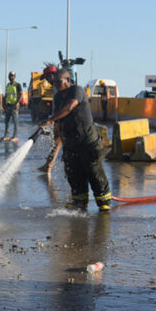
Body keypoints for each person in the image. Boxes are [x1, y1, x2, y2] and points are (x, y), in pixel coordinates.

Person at [40, 68, 111, 212]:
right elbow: (59, 118)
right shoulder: (58, 97)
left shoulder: (77, 90)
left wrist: (51, 119)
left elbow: (69, 107)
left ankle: (103, 202)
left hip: (87, 141)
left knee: (94, 171)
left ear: (68, 80)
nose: (56, 85)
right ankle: (79, 201)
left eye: (58, 82)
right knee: (73, 172)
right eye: (54, 83)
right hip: (71, 142)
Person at [38, 65, 62, 173]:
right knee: (56, 143)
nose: (46, 81)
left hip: (64, 120)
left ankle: (48, 166)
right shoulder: (55, 87)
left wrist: (53, 120)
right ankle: (48, 165)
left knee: (59, 144)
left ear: (52, 75)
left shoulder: (60, 86)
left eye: (47, 78)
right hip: (59, 119)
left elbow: (64, 106)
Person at [3, 71, 22, 142]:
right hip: (8, 105)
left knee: (15, 121)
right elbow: (6, 95)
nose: (11, 77)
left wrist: (17, 103)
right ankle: (6, 135)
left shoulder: (17, 85)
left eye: (13, 75)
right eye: (10, 75)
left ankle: (15, 136)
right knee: (7, 121)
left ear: (15, 76)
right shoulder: (8, 85)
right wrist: (4, 104)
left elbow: (21, 94)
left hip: (14, 105)